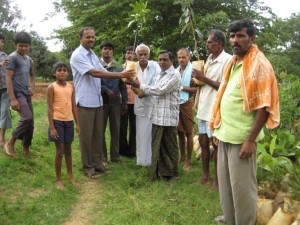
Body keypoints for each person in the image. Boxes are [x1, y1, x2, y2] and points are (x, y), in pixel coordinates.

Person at [209, 19, 279, 225]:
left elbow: (264, 107)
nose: (235, 40)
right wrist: (217, 128)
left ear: (251, 38)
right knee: (227, 187)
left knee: (242, 189)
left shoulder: (260, 64)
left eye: (240, 36)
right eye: (232, 36)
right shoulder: (233, 63)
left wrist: (250, 140)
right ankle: (231, 220)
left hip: (242, 139)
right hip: (225, 134)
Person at [70, 27, 132, 179]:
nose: (91, 39)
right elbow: (95, 73)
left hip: (97, 101)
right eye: (87, 37)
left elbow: (105, 72)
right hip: (85, 102)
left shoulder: (92, 54)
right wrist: (121, 74)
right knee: (87, 137)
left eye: (93, 37)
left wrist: (121, 75)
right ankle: (88, 167)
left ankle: (98, 163)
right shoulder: (78, 55)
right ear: (80, 39)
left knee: (98, 135)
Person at [128, 50, 181, 181]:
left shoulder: (175, 75)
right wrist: (138, 89)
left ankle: (172, 173)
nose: (162, 62)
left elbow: (159, 90)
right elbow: (152, 90)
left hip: (168, 117)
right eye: (160, 60)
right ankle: (158, 172)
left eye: (165, 59)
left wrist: (140, 85)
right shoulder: (160, 75)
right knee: (157, 146)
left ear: (171, 61)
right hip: (157, 116)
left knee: (170, 146)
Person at [193, 29, 232, 189]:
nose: (206, 44)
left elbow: (226, 86)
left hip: (215, 109)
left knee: (216, 145)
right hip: (203, 107)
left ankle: (218, 180)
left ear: (219, 44)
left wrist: (204, 78)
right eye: (207, 42)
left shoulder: (228, 60)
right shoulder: (208, 59)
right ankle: (205, 176)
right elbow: (205, 83)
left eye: (209, 42)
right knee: (203, 142)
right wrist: (198, 81)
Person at [47, 61, 80, 190]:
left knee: (68, 150)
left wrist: (78, 124)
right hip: (57, 121)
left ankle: (70, 176)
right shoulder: (52, 87)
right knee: (60, 151)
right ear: (54, 73)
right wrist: (52, 128)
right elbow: (49, 109)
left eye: (64, 70)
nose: (62, 72)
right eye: (59, 70)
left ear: (67, 73)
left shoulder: (71, 87)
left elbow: (74, 106)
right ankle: (58, 179)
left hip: (69, 121)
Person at [5, 31, 35, 158]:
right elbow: (8, 78)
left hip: (26, 93)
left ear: (29, 46)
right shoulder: (12, 58)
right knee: (27, 118)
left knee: (31, 123)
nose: (23, 48)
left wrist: (32, 87)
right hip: (17, 93)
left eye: (26, 46)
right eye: (21, 45)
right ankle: (10, 143)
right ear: (15, 44)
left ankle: (26, 148)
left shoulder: (29, 59)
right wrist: (12, 99)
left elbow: (32, 76)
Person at [99, 41, 127, 163]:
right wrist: (106, 90)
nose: (107, 51)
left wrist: (124, 101)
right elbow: (94, 83)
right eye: (105, 48)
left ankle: (115, 156)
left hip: (116, 103)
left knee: (115, 130)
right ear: (101, 50)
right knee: (101, 131)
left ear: (112, 51)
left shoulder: (118, 67)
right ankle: (103, 157)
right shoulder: (97, 65)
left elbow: (122, 85)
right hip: (101, 103)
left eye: (110, 49)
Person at [134, 43, 160, 166]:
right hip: (139, 104)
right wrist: (139, 92)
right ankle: (141, 161)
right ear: (137, 55)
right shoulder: (133, 67)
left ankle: (153, 160)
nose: (143, 56)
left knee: (153, 133)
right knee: (141, 133)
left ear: (149, 55)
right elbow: (129, 83)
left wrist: (143, 92)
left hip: (154, 104)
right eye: (141, 54)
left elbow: (158, 83)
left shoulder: (155, 66)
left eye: (145, 54)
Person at [176, 48, 197, 171]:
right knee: (179, 131)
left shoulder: (193, 71)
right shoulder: (176, 70)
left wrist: (181, 87)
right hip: (176, 103)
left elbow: (195, 90)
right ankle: (182, 156)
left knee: (189, 132)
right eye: (179, 57)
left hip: (188, 102)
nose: (181, 60)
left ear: (189, 57)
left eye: (184, 57)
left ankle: (189, 159)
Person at [119, 46, 137, 158]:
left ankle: (132, 150)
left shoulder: (138, 68)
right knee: (122, 126)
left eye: (132, 53)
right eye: (128, 52)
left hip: (136, 101)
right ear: (125, 55)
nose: (130, 55)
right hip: (123, 101)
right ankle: (122, 149)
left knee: (134, 127)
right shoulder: (120, 68)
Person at [0, 34, 12, 147]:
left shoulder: (5, 55)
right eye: (1, 41)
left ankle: (1, 139)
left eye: (3, 42)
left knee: (4, 112)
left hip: (4, 88)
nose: (2, 44)